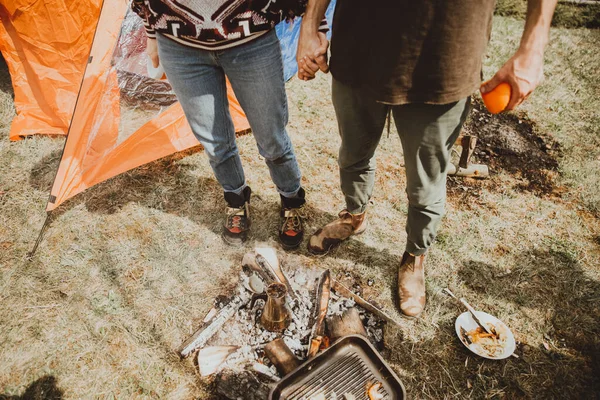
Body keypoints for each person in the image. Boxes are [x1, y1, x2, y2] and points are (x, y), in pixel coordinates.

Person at [297, 0, 557, 317]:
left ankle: (414, 255)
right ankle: (355, 215)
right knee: (353, 155)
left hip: (443, 55)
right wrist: (311, 22)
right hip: (357, 47)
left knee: (425, 182)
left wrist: (533, 47)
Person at [131, 0, 328, 249]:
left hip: (250, 39)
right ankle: (236, 198)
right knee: (213, 141)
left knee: (272, 137)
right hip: (179, 45)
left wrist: (316, 26)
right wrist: (151, 32)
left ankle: (291, 200)